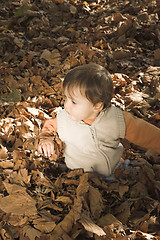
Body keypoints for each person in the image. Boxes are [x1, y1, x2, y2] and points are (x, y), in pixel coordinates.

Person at [38, 63, 160, 177]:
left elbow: (146, 134)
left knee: (134, 177)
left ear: (97, 106)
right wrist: (46, 140)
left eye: (74, 102)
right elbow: (49, 128)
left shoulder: (115, 120)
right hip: (78, 175)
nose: (66, 105)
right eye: (66, 99)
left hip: (114, 172)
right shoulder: (64, 119)